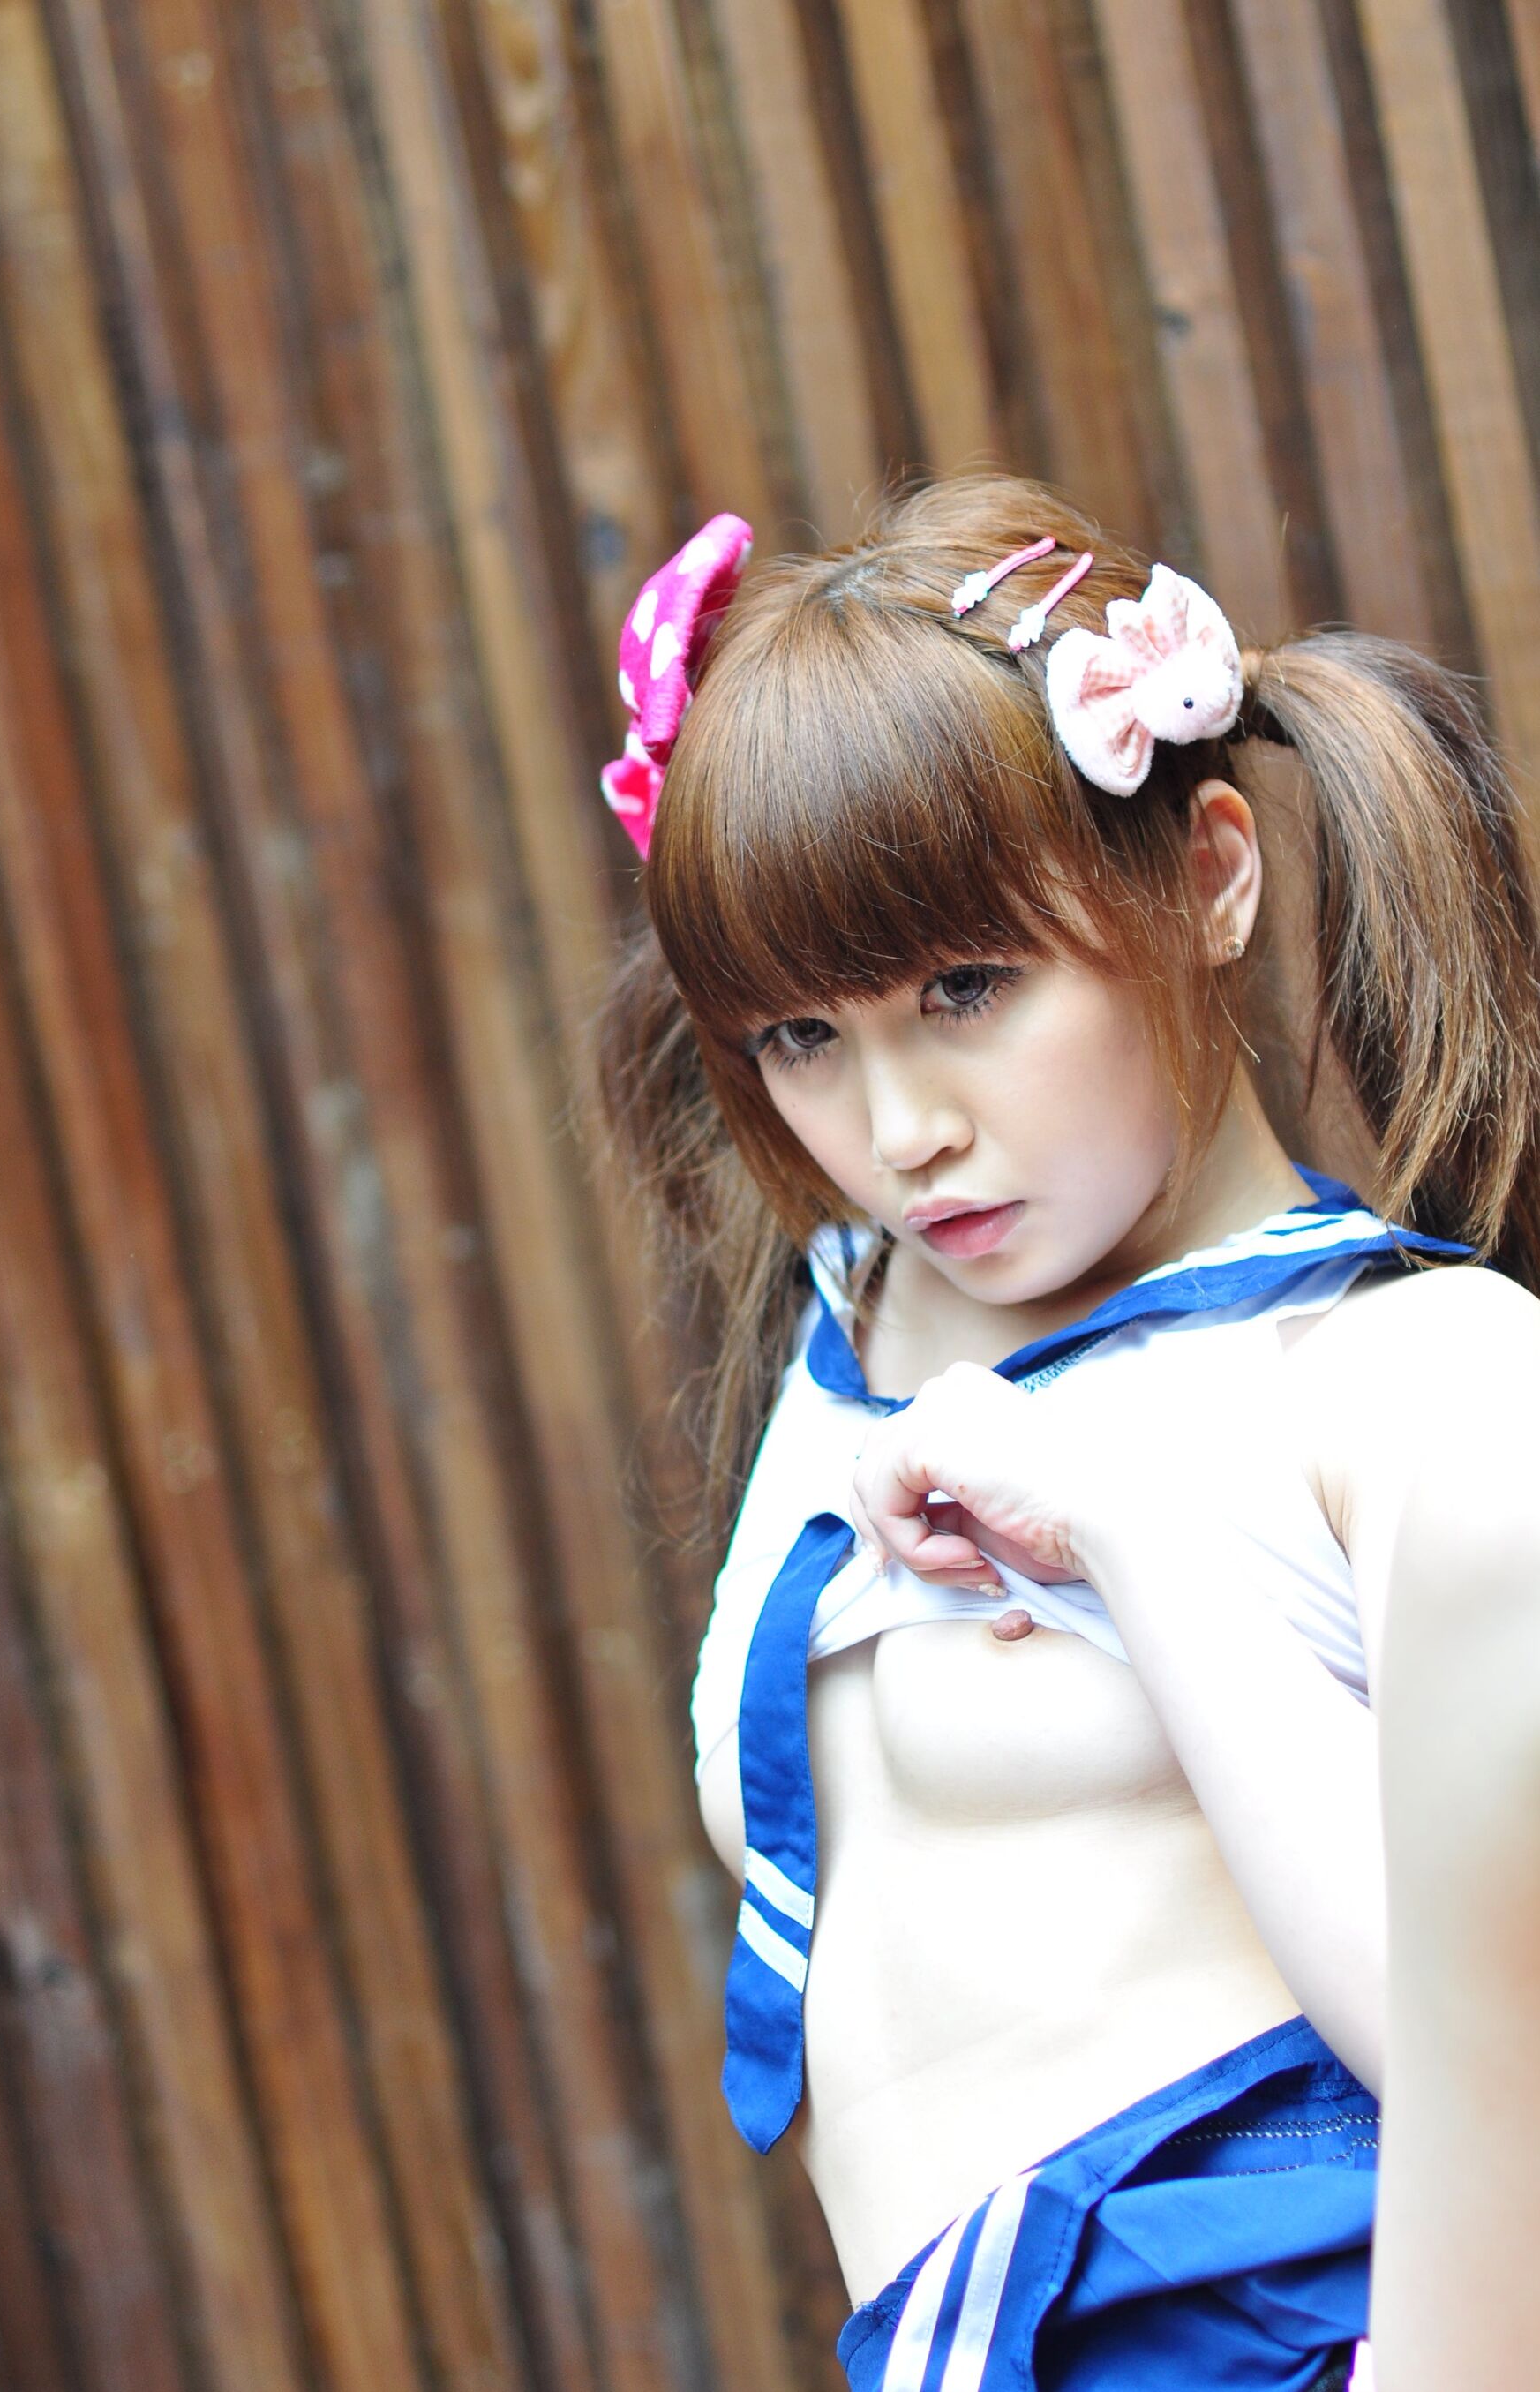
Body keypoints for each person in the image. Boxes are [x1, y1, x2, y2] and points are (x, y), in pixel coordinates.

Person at [596, 475, 1540, 2390]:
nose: (901, 1128)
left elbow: (1500, 2060)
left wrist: (1140, 1533)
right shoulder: (854, 1318)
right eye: (803, 1036)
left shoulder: (1413, 1376)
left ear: (1209, 876)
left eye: (967, 990)